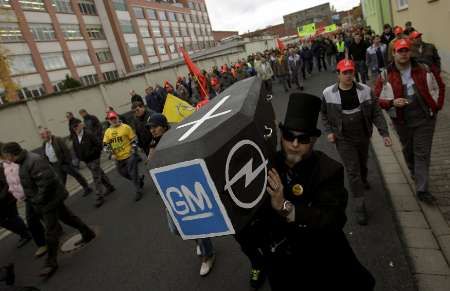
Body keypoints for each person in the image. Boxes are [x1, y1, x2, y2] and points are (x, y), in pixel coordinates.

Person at [259, 92, 375, 290]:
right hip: (283, 265)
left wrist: (284, 206)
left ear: (312, 140)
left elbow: (333, 219)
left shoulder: (328, 169)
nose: (295, 144)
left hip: (321, 260)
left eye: (302, 139)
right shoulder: (268, 164)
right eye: (289, 136)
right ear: (282, 135)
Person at [1, 142, 96, 277]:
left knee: (51, 232)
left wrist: (37, 200)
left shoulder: (33, 160)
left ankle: (51, 262)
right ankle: (88, 233)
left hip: (49, 200)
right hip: (46, 200)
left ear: (11, 154)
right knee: (67, 217)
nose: (5, 158)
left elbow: (46, 183)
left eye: (6, 155)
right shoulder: (23, 162)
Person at [321, 59, 392, 225]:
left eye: (350, 72)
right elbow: (324, 114)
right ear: (338, 74)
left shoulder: (365, 90)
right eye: (344, 72)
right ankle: (360, 205)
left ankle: (364, 179)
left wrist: (384, 133)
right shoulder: (328, 93)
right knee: (353, 171)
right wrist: (330, 132)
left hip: (362, 134)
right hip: (343, 137)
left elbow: (376, 112)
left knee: (362, 164)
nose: (348, 75)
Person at [375, 38, 446, 204]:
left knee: (422, 152)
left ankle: (422, 189)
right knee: (408, 150)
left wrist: (437, 106)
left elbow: (439, 87)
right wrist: (392, 102)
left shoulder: (424, 68)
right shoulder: (386, 74)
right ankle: (414, 170)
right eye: (400, 51)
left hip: (424, 118)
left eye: (406, 50)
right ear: (393, 54)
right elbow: (377, 98)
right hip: (401, 120)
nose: (404, 54)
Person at [146, 114, 215, 277]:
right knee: (176, 229)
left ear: (164, 126)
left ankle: (209, 254)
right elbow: (151, 163)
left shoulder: (176, 136)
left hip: (186, 185)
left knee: (195, 222)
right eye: (150, 128)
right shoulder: (154, 142)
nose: (152, 130)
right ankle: (199, 242)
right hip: (168, 188)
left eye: (155, 126)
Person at [0, 143, 47, 258]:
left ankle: (45, 243)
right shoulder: (4, 164)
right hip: (25, 195)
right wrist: (14, 191)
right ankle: (44, 241)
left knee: (34, 219)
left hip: (31, 192)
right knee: (37, 217)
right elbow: (9, 181)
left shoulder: (18, 160)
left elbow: (24, 176)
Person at [71, 120, 115, 208]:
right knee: (99, 173)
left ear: (81, 125)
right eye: (74, 127)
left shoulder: (88, 134)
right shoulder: (75, 137)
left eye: (77, 126)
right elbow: (76, 149)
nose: (76, 128)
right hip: (86, 161)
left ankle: (99, 197)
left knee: (96, 177)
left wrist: (92, 154)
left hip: (94, 159)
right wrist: (80, 157)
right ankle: (110, 186)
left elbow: (98, 145)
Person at [103, 111, 145, 202]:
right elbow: (105, 145)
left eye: (114, 118)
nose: (113, 120)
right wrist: (111, 154)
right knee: (123, 173)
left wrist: (133, 150)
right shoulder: (107, 132)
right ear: (109, 121)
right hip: (118, 158)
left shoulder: (125, 127)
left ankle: (138, 191)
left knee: (132, 173)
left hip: (129, 155)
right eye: (111, 119)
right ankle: (139, 180)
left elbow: (134, 139)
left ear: (117, 118)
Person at [39, 128, 92, 196]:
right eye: (41, 135)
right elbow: (45, 156)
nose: (42, 136)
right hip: (56, 166)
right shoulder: (44, 144)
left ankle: (86, 188)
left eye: (43, 134)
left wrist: (67, 162)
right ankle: (63, 195)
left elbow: (66, 151)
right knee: (61, 182)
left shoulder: (57, 140)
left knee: (76, 175)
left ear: (49, 133)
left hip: (64, 163)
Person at [0, 148, 32, 248]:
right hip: (5, 198)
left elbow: (6, 182)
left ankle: (26, 234)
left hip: (6, 198)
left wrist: (2, 196)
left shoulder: (2, 165)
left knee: (11, 217)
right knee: (6, 219)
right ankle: (25, 231)